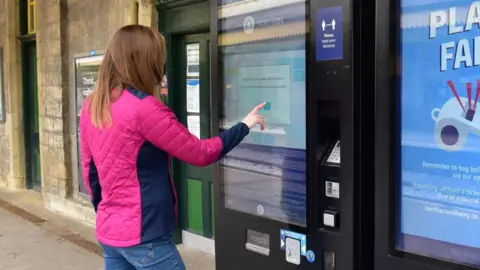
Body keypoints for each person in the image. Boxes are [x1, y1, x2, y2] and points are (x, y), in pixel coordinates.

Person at [79, 25, 266, 270]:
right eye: (158, 59)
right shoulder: (143, 108)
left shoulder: (93, 103)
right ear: (145, 62)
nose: (162, 66)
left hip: (110, 232)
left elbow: (89, 169)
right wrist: (244, 124)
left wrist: (108, 214)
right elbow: (201, 153)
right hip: (145, 236)